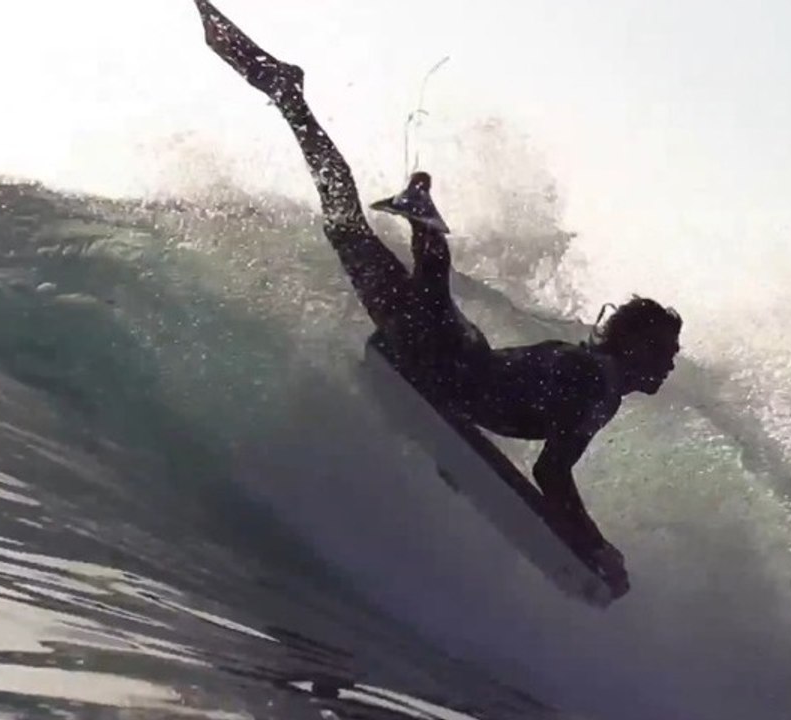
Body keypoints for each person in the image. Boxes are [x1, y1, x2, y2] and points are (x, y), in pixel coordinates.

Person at [192, 0, 681, 596]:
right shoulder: (597, 389)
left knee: (350, 230)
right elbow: (551, 471)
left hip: (454, 357)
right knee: (388, 263)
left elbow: (533, 442)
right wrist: (596, 545)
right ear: (638, 347)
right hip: (445, 364)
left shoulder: (588, 372)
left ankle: (291, 98)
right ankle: (421, 218)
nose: (671, 364)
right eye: (666, 351)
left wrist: (464, 455)